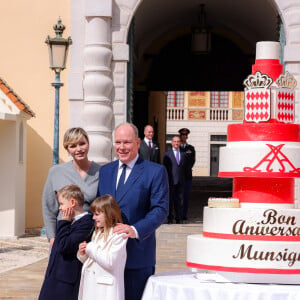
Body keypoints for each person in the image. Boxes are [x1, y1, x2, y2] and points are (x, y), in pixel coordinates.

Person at [97, 123, 169, 300]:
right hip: (106, 257)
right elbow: (98, 207)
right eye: (118, 142)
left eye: (127, 142)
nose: (121, 147)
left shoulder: (155, 172)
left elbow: (160, 209)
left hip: (137, 256)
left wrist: (135, 230)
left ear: (138, 143)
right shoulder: (105, 171)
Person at [42, 127, 100, 248]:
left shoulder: (101, 172)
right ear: (67, 149)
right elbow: (48, 209)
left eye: (82, 144)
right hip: (63, 237)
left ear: (88, 143)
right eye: (72, 146)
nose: (78, 149)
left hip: (90, 238)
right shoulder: (56, 172)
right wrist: (52, 238)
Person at [39, 184, 94, 300]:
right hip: (53, 277)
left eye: (62, 204)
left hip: (66, 282)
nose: (60, 208)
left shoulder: (86, 223)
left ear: (73, 202)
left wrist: (64, 222)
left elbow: (64, 246)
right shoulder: (69, 222)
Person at [77, 194, 128, 300]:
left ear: (108, 214)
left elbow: (110, 262)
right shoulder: (98, 232)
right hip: (92, 287)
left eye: (97, 214)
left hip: (106, 290)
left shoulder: (119, 235)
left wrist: (90, 247)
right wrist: (84, 253)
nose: (93, 217)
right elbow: (95, 259)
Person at [163, 135, 188, 224]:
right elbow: (165, 168)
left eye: (178, 142)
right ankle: (170, 218)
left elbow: (185, 168)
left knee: (180, 200)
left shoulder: (184, 154)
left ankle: (179, 218)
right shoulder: (167, 154)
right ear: (172, 143)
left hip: (180, 181)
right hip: (171, 181)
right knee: (170, 200)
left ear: (180, 143)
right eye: (175, 141)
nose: (176, 143)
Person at [179, 128, 196, 221]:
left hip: (187, 176)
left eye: (185, 135)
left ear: (187, 136)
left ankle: (184, 214)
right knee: (178, 196)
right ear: (180, 136)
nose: (184, 137)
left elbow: (192, 161)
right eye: (182, 135)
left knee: (185, 196)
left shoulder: (191, 149)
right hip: (178, 176)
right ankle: (178, 213)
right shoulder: (177, 148)